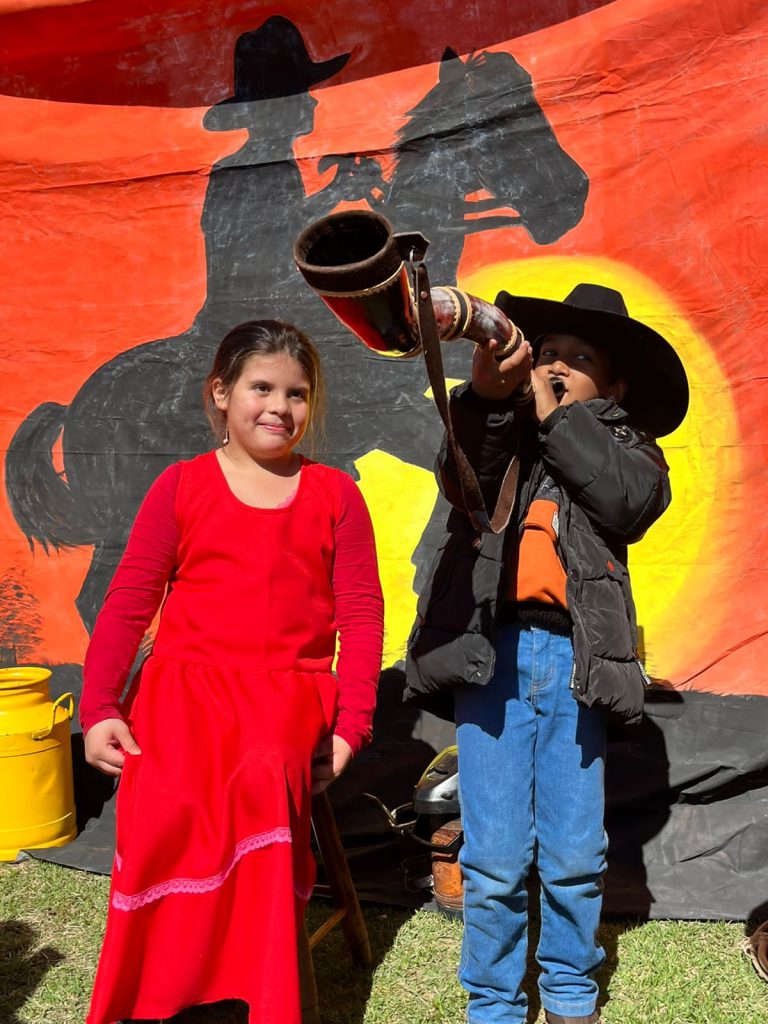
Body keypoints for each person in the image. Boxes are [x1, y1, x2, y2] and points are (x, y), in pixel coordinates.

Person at [79, 320, 384, 1024]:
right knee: (163, 797)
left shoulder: (334, 494)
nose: (279, 406)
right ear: (220, 393)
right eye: (261, 388)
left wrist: (352, 726)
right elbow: (128, 605)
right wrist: (100, 708)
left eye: (297, 393)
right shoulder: (181, 486)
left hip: (286, 690)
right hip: (184, 684)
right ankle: (163, 990)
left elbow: (362, 617)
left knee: (258, 774)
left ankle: (259, 987)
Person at [404, 284, 689, 1024]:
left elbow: (627, 501)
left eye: (581, 358)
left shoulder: (633, 451)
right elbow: (460, 472)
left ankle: (569, 992)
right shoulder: (507, 431)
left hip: (574, 664)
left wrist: (558, 413)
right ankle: (493, 1003)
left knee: (572, 853)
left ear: (615, 387)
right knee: (494, 858)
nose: (558, 365)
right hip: (491, 659)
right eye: (549, 353)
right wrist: (491, 397)